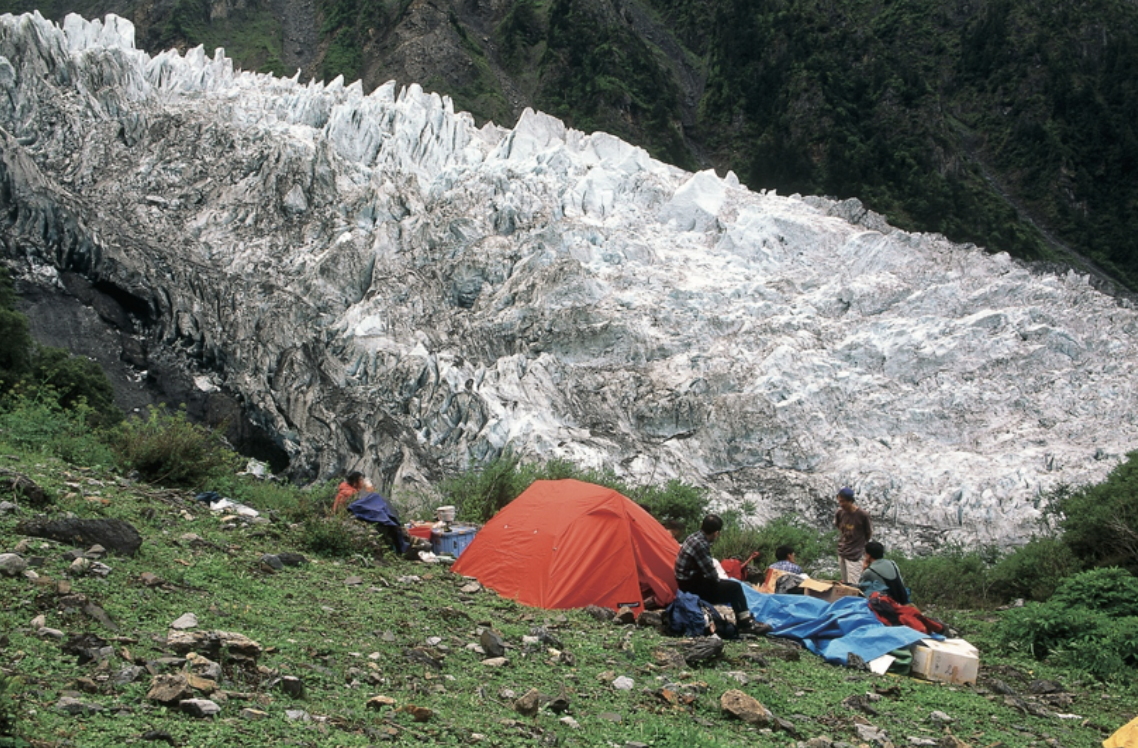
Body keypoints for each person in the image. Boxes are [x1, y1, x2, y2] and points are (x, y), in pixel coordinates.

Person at [674, 514, 766, 634]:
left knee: (728, 586)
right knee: (735, 588)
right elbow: (711, 574)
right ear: (716, 533)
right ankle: (745, 623)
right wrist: (721, 583)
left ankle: (744, 620)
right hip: (690, 586)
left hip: (685, 581)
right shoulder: (700, 544)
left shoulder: (693, 537)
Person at [834, 486, 872, 585]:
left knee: (854, 584)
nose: (841, 504)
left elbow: (868, 532)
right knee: (845, 583)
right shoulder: (840, 513)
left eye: (843, 501)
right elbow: (839, 526)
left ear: (851, 501)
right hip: (843, 551)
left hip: (855, 554)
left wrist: (860, 545)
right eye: (839, 501)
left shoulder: (862, 515)